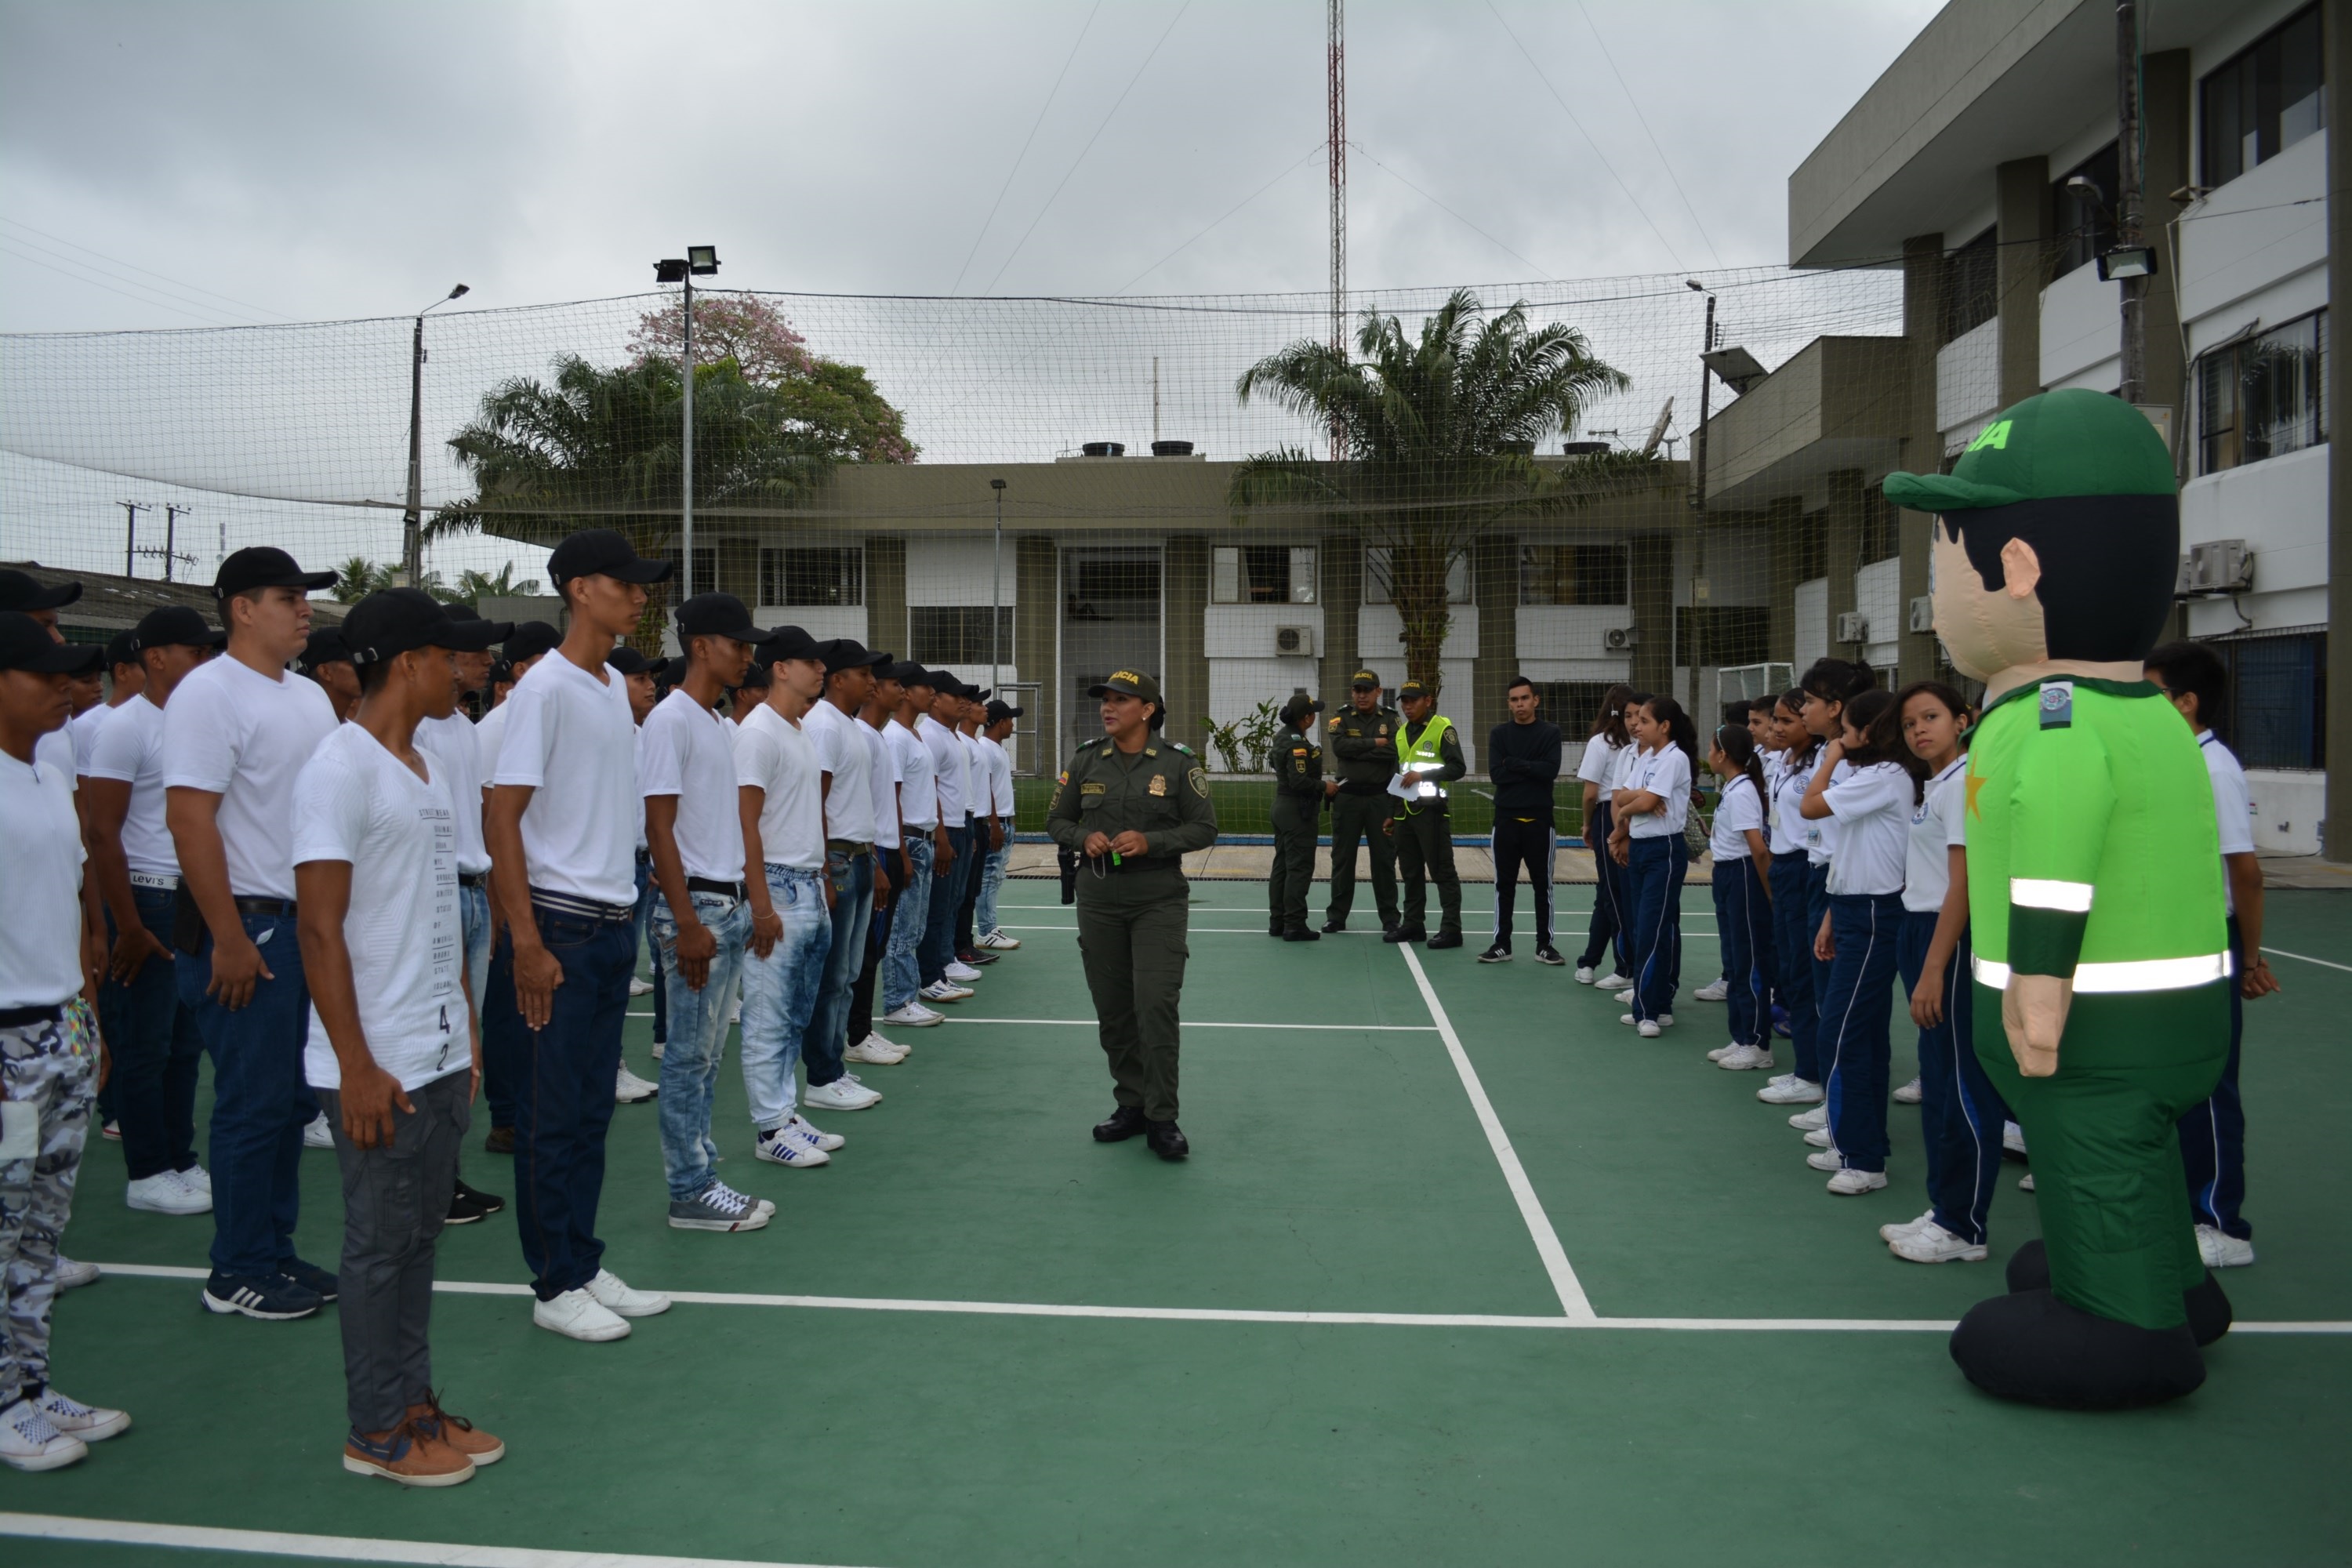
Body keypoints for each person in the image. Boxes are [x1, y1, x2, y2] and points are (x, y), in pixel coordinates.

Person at [293, 589, 505, 1487]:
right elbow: (318, 927)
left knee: (418, 1241)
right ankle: (375, 1427)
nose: (462, 671)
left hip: (437, 1049)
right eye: (448, 655)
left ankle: (415, 1403)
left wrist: (465, 1029)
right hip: (374, 1060)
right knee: (379, 1246)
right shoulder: (338, 767)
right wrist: (356, 1064)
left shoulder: (420, 766)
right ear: (408, 661)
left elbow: (439, 914)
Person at [481, 529, 676, 1342]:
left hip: (608, 924)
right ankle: (554, 1281)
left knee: (591, 1109)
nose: (639, 595)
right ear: (579, 588)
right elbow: (502, 814)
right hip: (558, 926)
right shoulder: (547, 689)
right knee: (550, 1116)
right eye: (626, 583)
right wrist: (526, 940)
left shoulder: (603, 688)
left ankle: (584, 1259)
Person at [162, 546, 343, 1321]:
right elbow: (189, 817)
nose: (304, 608)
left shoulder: (306, 698)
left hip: (300, 925)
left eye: (305, 596)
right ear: (241, 607)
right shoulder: (208, 694)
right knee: (249, 1101)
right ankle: (233, 1268)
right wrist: (227, 936)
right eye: (286, 596)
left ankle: (272, 1249)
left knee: (287, 1101)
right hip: (248, 926)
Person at [0, 612, 130, 1475]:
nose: (64, 686)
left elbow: (64, 906)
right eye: (42, 672)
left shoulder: (49, 769)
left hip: (61, 1030)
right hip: (5, 1043)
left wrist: (87, 1018)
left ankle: (30, 1383)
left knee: (42, 1231)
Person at [82, 607, 223, 1216]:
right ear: (157, 657)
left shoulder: (200, 722)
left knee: (185, 1042)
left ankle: (179, 1159)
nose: (206, 661)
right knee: (145, 1042)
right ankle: (146, 1171)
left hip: (191, 899)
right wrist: (126, 924)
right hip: (147, 897)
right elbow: (100, 833)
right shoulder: (124, 727)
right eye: (195, 651)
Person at [640, 593, 772, 1234]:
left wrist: (752, 905)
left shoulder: (718, 725)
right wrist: (686, 919)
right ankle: (689, 1190)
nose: (748, 655)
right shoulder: (669, 720)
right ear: (700, 646)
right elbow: (658, 826)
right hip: (699, 909)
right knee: (688, 1058)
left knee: (707, 1057)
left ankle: (704, 1174)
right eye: (737, 644)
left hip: (728, 907)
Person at [1047, 670, 1218, 1159]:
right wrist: (1082, 838)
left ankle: (1163, 1117)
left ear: (1147, 709)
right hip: (1098, 898)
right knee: (1114, 1009)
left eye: (1121, 700)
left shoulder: (1179, 764)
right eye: (1105, 700)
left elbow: (1204, 828)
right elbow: (1056, 820)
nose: (1108, 707)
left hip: (1157, 897)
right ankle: (1133, 1104)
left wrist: (1152, 841)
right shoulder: (1084, 761)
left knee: (1155, 1003)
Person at [2144, 639, 2273, 1270]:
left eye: (2153, 693)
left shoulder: (2214, 767)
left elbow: (2244, 874)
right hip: (2174, 940)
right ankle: (2185, 1205)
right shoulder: (2175, 760)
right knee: (2173, 1077)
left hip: (2210, 942)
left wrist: (2250, 958)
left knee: (2210, 1080)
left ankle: (2224, 1222)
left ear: (2187, 702)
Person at [1882, 680, 2006, 1264]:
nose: (1919, 730)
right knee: (1937, 1081)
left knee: (1960, 1084)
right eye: (1909, 724)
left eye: (1930, 717)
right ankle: (1945, 1207)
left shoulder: (1966, 784)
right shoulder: (1935, 785)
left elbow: (1965, 882)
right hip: (1920, 930)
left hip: (1947, 939)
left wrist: (1935, 967)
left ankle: (1964, 1227)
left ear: (1964, 719)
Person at [1798, 688, 1918, 1196]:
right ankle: (1857, 1142)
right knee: (1860, 1032)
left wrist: (1831, 757)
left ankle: (1864, 1158)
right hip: (1850, 907)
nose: (1839, 737)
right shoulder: (1873, 778)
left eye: (1846, 729)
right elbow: (1850, 849)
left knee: (1843, 1031)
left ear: (1866, 733)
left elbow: (1810, 806)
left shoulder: (1883, 777)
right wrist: (1830, 915)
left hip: (1874, 913)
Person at [414, 602, 510, 1224]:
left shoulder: (465, 729)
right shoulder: (418, 729)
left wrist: (495, 906)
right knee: (438, 1038)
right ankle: (429, 1179)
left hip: (473, 891)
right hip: (440, 891)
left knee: (461, 1043)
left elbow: (482, 816)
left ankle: (446, 1174)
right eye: (473, 653)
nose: (485, 664)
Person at [735, 626, 843, 1170]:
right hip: (776, 888)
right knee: (768, 1015)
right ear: (780, 667)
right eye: (810, 661)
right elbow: (746, 824)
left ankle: (785, 1110)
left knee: (796, 1011)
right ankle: (769, 1126)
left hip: (805, 885)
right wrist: (760, 905)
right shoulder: (758, 733)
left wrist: (821, 873)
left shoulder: (797, 730)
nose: (820, 670)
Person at [800, 638, 891, 1113]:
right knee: (831, 975)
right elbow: (815, 800)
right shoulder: (823, 726)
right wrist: (821, 872)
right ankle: (822, 1075)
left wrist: (871, 860)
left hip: (855, 856)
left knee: (848, 973)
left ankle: (833, 1062)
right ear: (839, 679)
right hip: (834, 860)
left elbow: (855, 804)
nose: (872, 681)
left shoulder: (849, 726)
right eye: (863, 673)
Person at [1756, 691, 1828, 1109]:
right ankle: (1805, 1067)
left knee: (1804, 973)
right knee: (1790, 970)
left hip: (1806, 868)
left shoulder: (1821, 762)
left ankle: (1813, 1074)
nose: (1777, 728)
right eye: (1776, 721)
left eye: (1786, 720)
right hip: (1784, 866)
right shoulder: (1785, 761)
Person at [1609, 695, 1695, 1038]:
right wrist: (1639, 800)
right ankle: (1659, 1005)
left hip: (1664, 850)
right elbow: (1623, 796)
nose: (1636, 726)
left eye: (1644, 721)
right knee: (1644, 926)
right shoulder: (1646, 758)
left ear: (1664, 726)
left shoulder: (1675, 759)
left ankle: (1647, 1012)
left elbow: (1639, 801)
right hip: (1642, 848)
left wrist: (1637, 803)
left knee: (1653, 929)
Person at [843, 658, 910, 1067]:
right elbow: (857, 806)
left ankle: (860, 1029)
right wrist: (880, 860)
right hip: (872, 852)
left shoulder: (875, 736)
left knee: (872, 948)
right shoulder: (864, 736)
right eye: (889, 683)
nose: (896, 690)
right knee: (864, 952)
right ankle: (856, 1034)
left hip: (882, 850)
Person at [1701, 724, 1775, 1072]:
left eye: (1712, 747)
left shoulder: (1743, 790)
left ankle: (1757, 1043)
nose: (1708, 753)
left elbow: (1758, 850)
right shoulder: (1735, 787)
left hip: (1743, 875)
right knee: (1734, 960)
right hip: (1728, 874)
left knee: (1747, 961)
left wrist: (1768, 891)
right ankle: (1742, 1035)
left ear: (1724, 754)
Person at [880, 665, 945, 1029]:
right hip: (908, 839)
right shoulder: (895, 737)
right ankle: (897, 1001)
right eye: (925, 688)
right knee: (903, 927)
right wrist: (901, 851)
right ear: (905, 691)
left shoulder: (913, 735)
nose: (932, 694)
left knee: (915, 927)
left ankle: (909, 995)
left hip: (924, 839)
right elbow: (893, 796)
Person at [1483, 676, 1563, 964]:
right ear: (1509, 703)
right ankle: (1502, 944)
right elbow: (1496, 775)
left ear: (1535, 700)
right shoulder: (1499, 734)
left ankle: (1545, 945)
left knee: (1543, 885)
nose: (1520, 704)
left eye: (1524, 698)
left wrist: (1514, 763)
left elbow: (1550, 771)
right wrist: (1531, 767)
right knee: (1504, 885)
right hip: (1506, 821)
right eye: (1514, 700)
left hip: (1540, 822)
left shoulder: (1550, 733)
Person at [1322, 670, 1403, 938]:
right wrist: (1375, 744)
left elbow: (1396, 749)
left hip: (1381, 798)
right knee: (1343, 858)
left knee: (1384, 859)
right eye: (1357, 690)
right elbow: (1340, 748)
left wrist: (1361, 747)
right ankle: (1336, 917)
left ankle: (1390, 917)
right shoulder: (1342, 716)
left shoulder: (1390, 718)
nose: (1361, 695)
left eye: (1367, 690)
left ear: (1378, 691)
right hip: (1348, 798)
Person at [1388, 681, 1466, 949]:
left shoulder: (1442, 729)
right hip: (1404, 813)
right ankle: (1413, 924)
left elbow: (1458, 768)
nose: (1408, 706)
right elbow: (1399, 774)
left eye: (1413, 701)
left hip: (1431, 812)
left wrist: (1424, 774)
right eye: (1404, 702)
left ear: (1428, 701)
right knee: (1410, 872)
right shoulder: (1400, 733)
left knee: (1442, 871)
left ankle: (1452, 929)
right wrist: (1391, 813)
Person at [915, 676, 975, 1005]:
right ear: (936, 700)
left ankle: (944, 961)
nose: (963, 702)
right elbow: (932, 790)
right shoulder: (930, 736)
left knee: (952, 900)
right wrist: (942, 837)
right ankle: (931, 974)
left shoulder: (950, 736)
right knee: (936, 907)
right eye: (957, 696)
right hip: (945, 830)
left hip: (959, 826)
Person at [1572, 685, 1637, 985]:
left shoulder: (1602, 742)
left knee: (1614, 895)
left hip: (1610, 814)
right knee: (1607, 892)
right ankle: (1589, 961)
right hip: (1631, 812)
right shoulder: (1636, 742)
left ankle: (1626, 967)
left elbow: (1590, 793)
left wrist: (1587, 825)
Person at [1267, 690, 1324, 941]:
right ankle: (1295, 924)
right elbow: (1299, 781)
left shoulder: (1281, 737)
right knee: (1298, 868)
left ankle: (1277, 921)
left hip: (1281, 806)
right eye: (1313, 714)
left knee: (1281, 867)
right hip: (1296, 810)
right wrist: (1326, 787)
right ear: (1307, 718)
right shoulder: (1298, 743)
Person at [972, 698, 1021, 952]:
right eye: (1011, 720)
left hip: (1004, 821)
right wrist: (994, 824)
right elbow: (986, 788)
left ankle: (989, 928)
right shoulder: (985, 748)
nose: (1013, 725)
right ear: (1001, 722)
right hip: (996, 823)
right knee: (989, 878)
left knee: (995, 877)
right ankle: (987, 931)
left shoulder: (998, 748)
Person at [298, 628, 361, 724]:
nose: (365, 669)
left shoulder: (351, 731)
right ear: (326, 672)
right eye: (353, 663)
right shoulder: (305, 726)